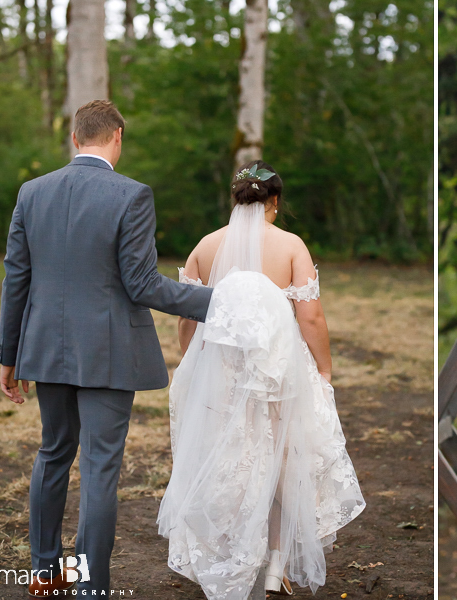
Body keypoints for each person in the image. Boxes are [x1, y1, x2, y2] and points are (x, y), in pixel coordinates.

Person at [0, 100, 215, 596]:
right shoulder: (132, 195)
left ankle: (43, 573)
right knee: (98, 466)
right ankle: (87, 585)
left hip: (45, 350)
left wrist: (8, 355)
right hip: (109, 353)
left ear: (76, 138)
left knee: (52, 454)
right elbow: (142, 285)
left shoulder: (32, 192)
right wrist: (215, 300)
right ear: (117, 137)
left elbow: (17, 280)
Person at [156, 160, 365, 600]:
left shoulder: (206, 247)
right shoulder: (291, 246)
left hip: (222, 375)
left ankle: (232, 558)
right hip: (279, 373)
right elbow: (311, 317)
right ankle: (274, 569)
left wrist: (193, 364)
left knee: (232, 462)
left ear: (235, 200)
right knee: (282, 464)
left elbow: (187, 318)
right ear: (275, 201)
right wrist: (324, 370)